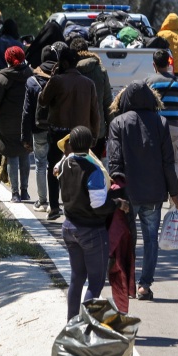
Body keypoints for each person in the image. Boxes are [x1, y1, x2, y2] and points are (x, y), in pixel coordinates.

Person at [107, 82, 178, 301]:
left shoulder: (118, 123)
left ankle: (127, 282)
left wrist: (115, 195)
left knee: (127, 239)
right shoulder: (160, 122)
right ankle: (144, 285)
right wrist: (174, 192)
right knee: (151, 239)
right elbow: (167, 161)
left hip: (127, 195)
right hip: (154, 193)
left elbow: (114, 162)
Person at [56, 126, 128, 320]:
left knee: (76, 278)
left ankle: (71, 323)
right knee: (95, 282)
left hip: (69, 227)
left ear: (70, 143)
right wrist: (117, 203)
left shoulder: (64, 164)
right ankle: (84, 324)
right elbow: (98, 205)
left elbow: (58, 167)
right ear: (91, 145)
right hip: (91, 231)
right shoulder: (92, 170)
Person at [39, 43, 102, 221]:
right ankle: (75, 208)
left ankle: (53, 207)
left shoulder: (57, 80)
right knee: (79, 170)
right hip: (81, 134)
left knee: (54, 168)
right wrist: (95, 135)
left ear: (64, 63)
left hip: (59, 133)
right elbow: (94, 112)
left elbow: (42, 100)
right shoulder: (88, 83)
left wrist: (52, 77)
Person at [0, 46, 34, 202]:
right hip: (26, 122)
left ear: (7, 59)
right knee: (25, 153)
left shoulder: (2, 78)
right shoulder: (30, 75)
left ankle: (15, 194)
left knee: (12, 156)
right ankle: (25, 190)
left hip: (7, 123)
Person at [145, 49, 178, 176]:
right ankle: (173, 193)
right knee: (174, 161)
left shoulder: (148, 82)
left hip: (152, 127)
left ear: (154, 64)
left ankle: (156, 193)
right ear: (169, 63)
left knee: (153, 161)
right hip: (172, 127)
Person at [22, 48, 57, 212]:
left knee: (40, 164)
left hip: (38, 128)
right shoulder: (60, 78)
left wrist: (25, 135)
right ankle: (55, 203)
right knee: (57, 165)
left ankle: (42, 201)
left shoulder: (31, 81)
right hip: (58, 129)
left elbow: (27, 111)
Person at [70, 37, 113, 155]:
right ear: (87, 50)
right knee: (95, 167)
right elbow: (108, 103)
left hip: (74, 131)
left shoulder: (69, 71)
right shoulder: (100, 70)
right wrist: (111, 129)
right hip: (97, 132)